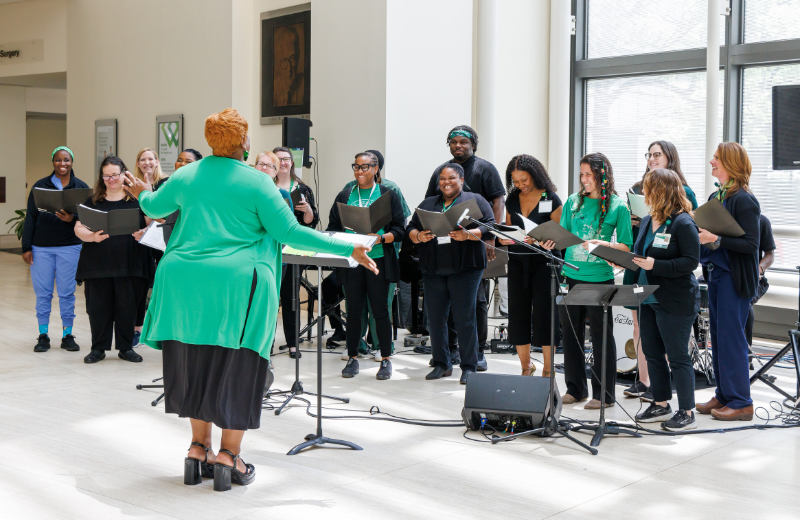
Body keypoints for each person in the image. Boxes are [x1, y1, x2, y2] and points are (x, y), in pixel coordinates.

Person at [124, 108, 375, 491]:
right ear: (244, 141)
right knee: (238, 366)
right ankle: (229, 457)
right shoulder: (259, 184)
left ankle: (197, 450)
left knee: (194, 360)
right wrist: (348, 248)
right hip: (237, 286)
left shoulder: (187, 174)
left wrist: (141, 191)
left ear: (210, 141)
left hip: (183, 283)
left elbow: (154, 207)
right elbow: (291, 231)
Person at [623, 141, 698, 401]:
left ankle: (686, 410)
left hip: (673, 297)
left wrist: (657, 265)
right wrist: (617, 257)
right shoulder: (646, 221)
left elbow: (691, 262)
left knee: (676, 357)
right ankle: (660, 402)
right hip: (646, 296)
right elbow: (639, 253)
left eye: (648, 190)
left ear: (662, 191)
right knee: (653, 354)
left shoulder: (683, 222)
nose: (644, 194)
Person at [424, 125, 505, 370]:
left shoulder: (485, 168)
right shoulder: (441, 170)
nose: (458, 145)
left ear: (473, 144)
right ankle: (448, 351)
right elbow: (430, 203)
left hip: (474, 245)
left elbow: (498, 202)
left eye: (463, 142)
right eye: (453, 142)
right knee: (445, 305)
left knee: (475, 303)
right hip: (445, 250)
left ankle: (478, 351)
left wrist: (491, 239)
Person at [408, 163, 496, 383]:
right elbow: (410, 227)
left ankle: (469, 366)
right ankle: (442, 363)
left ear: (462, 180)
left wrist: (469, 234)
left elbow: (491, 225)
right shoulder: (429, 203)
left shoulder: (474, 200)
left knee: (465, 318)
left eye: (451, 178)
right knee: (436, 318)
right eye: (442, 179)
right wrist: (418, 236)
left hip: (466, 268)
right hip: (433, 267)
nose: (446, 183)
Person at [559, 153, 633, 409]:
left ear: (602, 175)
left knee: (602, 338)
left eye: (588, 174)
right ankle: (575, 388)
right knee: (571, 336)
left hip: (601, 279)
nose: (584, 179)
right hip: (571, 276)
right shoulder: (572, 202)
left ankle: (604, 395)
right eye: (581, 174)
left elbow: (626, 246)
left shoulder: (617, 206)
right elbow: (563, 236)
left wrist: (606, 244)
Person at [327, 151, 406, 380]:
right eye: (356, 166)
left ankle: (385, 359)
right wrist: (345, 237)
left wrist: (381, 238)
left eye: (364, 167)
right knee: (353, 311)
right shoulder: (344, 195)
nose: (359, 171)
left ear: (375, 169)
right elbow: (332, 227)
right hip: (352, 260)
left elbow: (400, 230)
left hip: (378, 259)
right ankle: (352, 357)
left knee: (380, 310)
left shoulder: (388, 196)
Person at [697, 142, 761, 422]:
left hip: (734, 279)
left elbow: (751, 244)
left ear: (731, 163)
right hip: (716, 275)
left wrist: (716, 239)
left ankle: (741, 402)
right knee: (719, 339)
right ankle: (724, 394)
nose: (712, 161)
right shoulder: (717, 195)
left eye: (717, 158)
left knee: (732, 339)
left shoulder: (745, 200)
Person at [73, 156, 153, 364]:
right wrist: (91, 236)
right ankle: (98, 348)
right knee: (98, 308)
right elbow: (78, 227)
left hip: (130, 263)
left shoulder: (137, 200)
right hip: (98, 264)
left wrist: (145, 231)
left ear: (124, 174)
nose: (111, 179)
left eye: (114, 175)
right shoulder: (93, 201)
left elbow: (153, 222)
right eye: (106, 176)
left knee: (127, 308)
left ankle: (125, 348)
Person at [497, 154, 562, 377]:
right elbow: (507, 228)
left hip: (545, 263)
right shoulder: (512, 199)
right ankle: (526, 366)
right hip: (517, 261)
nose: (521, 185)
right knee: (517, 314)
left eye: (524, 180)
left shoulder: (551, 198)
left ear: (535, 175)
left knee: (545, 315)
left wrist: (540, 239)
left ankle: (547, 368)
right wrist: (503, 239)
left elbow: (559, 234)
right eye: (515, 181)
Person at [133, 148, 203, 348]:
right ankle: (172, 341)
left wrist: (145, 195)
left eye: (188, 161)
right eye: (179, 160)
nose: (181, 164)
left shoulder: (200, 188)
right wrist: (147, 232)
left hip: (194, 254)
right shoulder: (170, 185)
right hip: (172, 253)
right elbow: (162, 216)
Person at [22, 146, 89, 353]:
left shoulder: (81, 187)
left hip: (70, 246)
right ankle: (43, 335)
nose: (62, 164)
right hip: (41, 248)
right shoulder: (40, 186)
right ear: (53, 162)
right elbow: (30, 217)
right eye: (58, 160)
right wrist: (26, 247)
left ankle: (67, 335)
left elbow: (88, 220)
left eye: (66, 160)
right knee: (43, 293)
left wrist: (72, 219)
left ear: (72, 162)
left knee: (67, 293)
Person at [746, 214, 775, 350]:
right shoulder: (725, 221)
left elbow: (770, 254)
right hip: (725, 273)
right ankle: (698, 340)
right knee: (695, 289)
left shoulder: (762, 221)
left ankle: (747, 353)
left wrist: (760, 268)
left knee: (745, 303)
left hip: (754, 277)